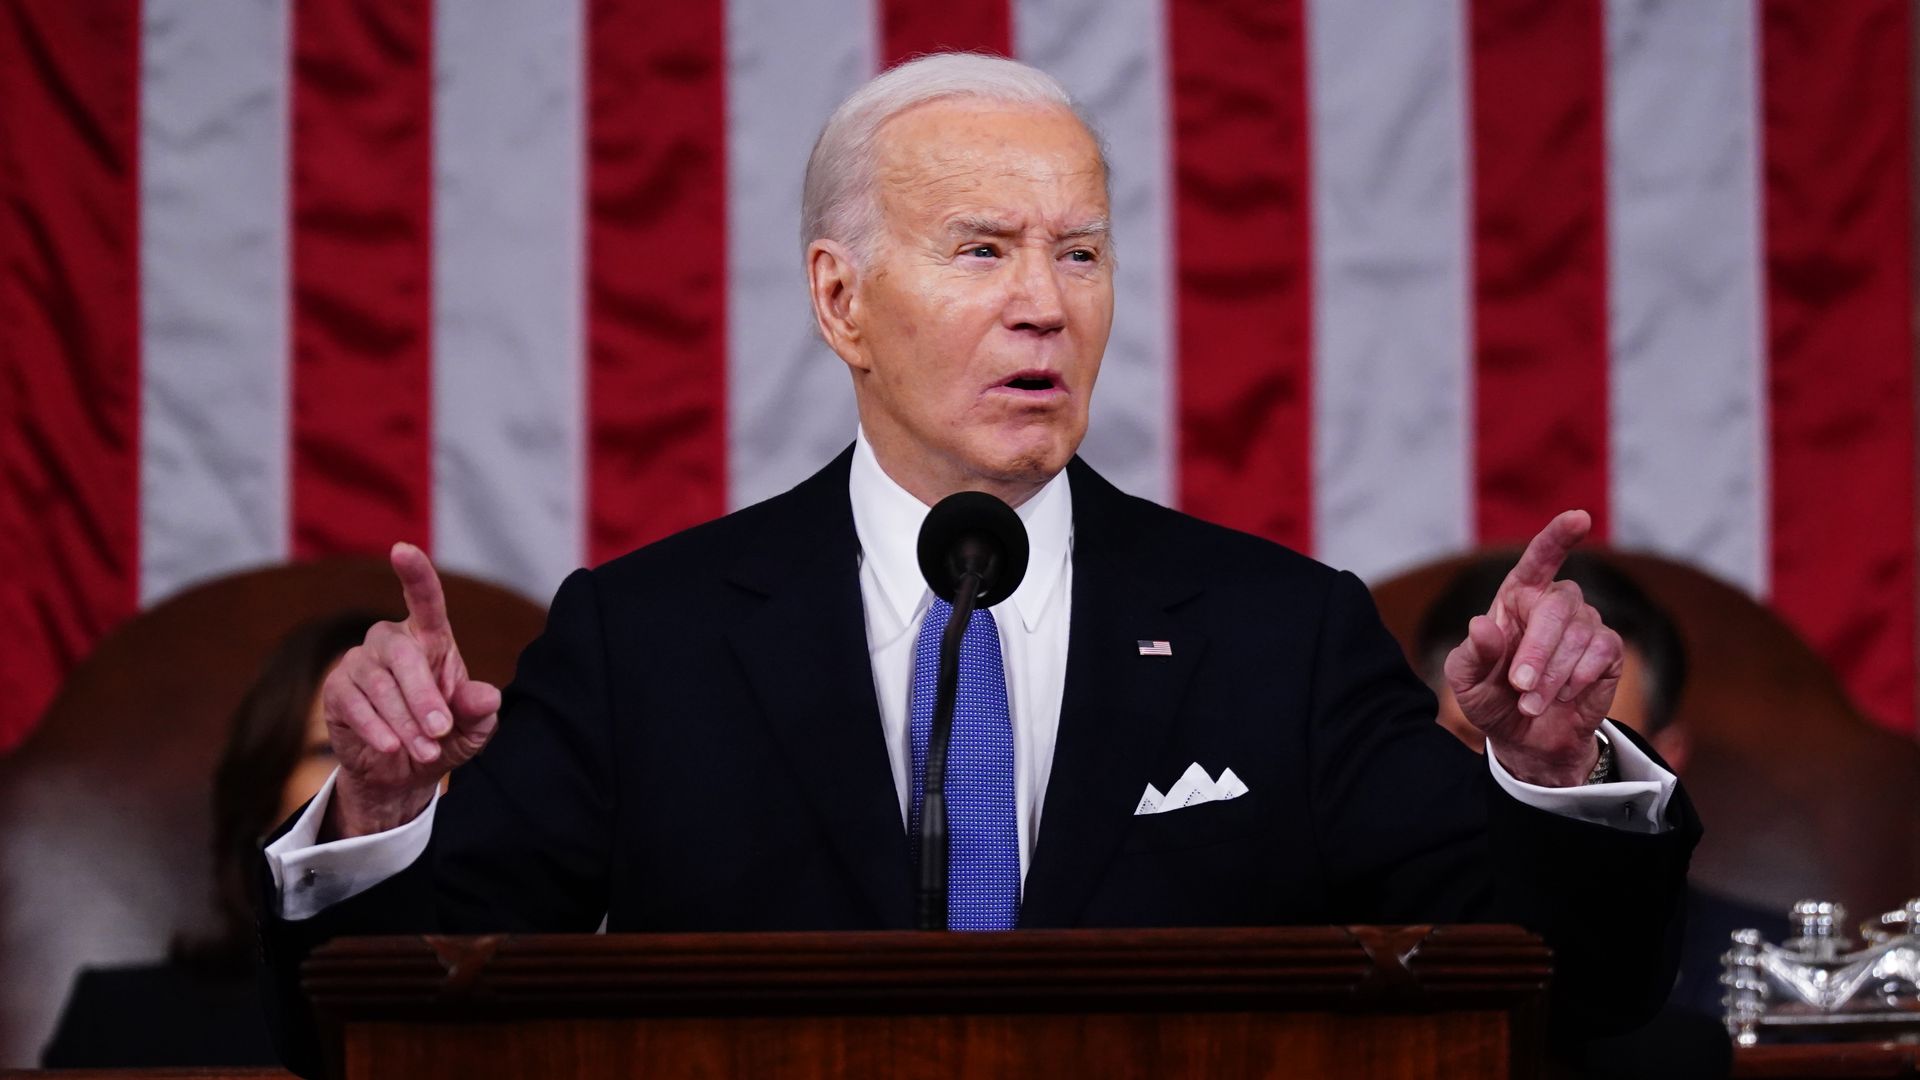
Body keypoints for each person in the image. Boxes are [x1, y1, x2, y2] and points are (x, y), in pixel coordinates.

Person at [255, 53, 1699, 1076]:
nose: (1041, 308)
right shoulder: (650, 638)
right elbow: (393, 1032)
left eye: (1080, 255)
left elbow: (1572, 999)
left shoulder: (1279, 631)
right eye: (981, 249)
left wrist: (1551, 779)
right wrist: (380, 810)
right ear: (842, 301)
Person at [1416, 553, 1789, 1078]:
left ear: (1663, 761)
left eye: (1575, 744)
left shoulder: (1783, 977)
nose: (1517, 777)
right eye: (1481, 737)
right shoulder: (1351, 953)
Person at [42, 611, 378, 1067]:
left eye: (413, 741)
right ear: (264, 803)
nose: (380, 773)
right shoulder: (121, 1026)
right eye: (330, 748)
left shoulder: (505, 1022)